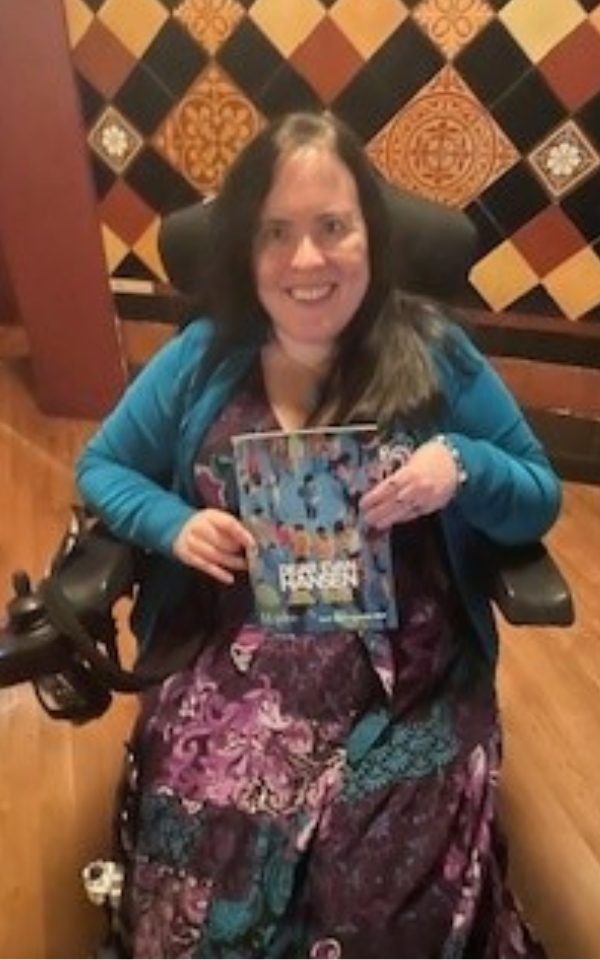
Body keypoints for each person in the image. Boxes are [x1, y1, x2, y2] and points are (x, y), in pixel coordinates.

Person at [76, 109, 561, 959]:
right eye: (277, 233)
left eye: (332, 227)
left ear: (370, 237)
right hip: (236, 654)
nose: (307, 260)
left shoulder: (436, 352)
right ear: (245, 249)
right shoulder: (201, 356)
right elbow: (102, 466)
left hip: (405, 670)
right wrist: (173, 521)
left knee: (380, 899)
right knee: (208, 873)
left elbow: (537, 496)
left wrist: (464, 467)